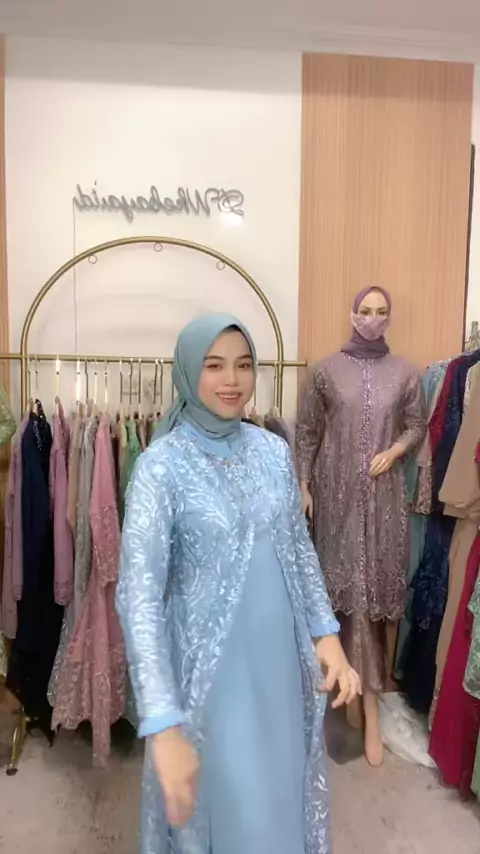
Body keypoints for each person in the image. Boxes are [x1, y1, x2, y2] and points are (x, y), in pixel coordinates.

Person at [116, 313, 361, 854]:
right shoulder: (161, 467)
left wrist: (326, 637)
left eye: (244, 365)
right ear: (188, 372)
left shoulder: (273, 451)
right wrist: (162, 721)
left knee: (280, 802)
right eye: (214, 365)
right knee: (233, 810)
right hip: (213, 679)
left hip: (280, 667)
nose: (232, 380)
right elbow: (139, 598)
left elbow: (298, 550)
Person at [296, 287, 426, 767]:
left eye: (381, 311)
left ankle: (369, 705)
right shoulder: (326, 371)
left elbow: (417, 425)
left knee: (372, 604)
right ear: (352, 313)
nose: (373, 318)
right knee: (342, 600)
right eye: (365, 311)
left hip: (384, 499)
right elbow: (307, 431)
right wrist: (304, 484)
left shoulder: (406, 373)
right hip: (336, 499)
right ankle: (350, 696)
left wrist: (395, 451)